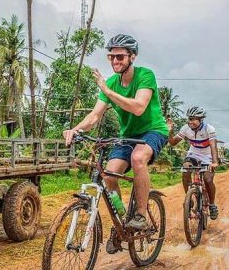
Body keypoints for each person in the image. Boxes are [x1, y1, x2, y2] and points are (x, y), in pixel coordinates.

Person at [63, 34, 168, 254]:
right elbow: (94, 116)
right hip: (127, 135)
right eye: (111, 57)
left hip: (153, 131)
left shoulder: (145, 75)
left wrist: (107, 91)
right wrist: (76, 129)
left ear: (132, 56)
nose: (114, 61)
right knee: (109, 176)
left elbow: (139, 107)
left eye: (119, 56)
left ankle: (140, 214)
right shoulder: (111, 82)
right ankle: (121, 223)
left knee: (138, 158)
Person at [167, 106, 219, 220]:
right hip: (193, 154)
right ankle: (188, 199)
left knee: (208, 179)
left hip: (208, 156)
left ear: (201, 120)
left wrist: (215, 162)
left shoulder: (209, 129)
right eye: (189, 119)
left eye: (193, 119)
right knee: (185, 170)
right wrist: (170, 131)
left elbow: (213, 145)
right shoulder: (186, 128)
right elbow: (172, 142)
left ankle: (212, 205)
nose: (190, 122)